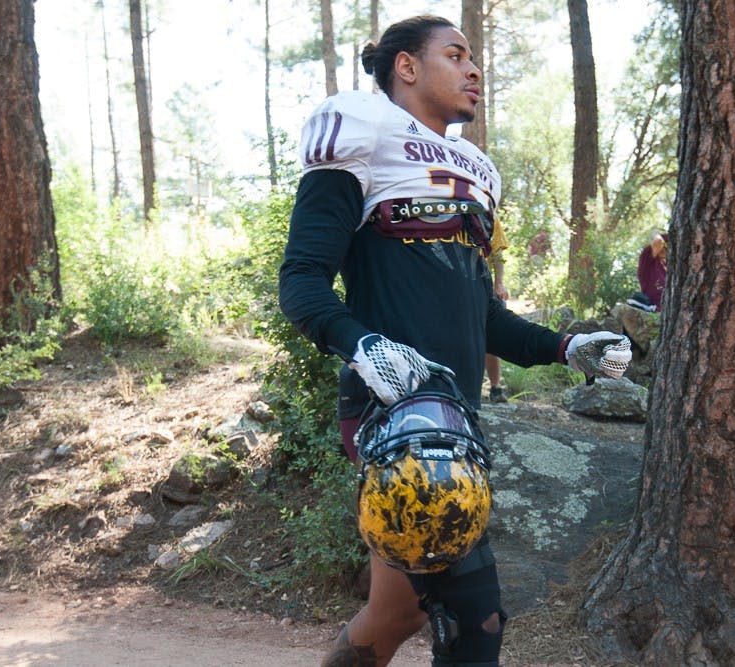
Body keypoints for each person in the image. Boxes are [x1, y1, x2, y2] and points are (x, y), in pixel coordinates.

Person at [278, 16, 631, 666]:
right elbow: (301, 280)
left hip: (457, 410)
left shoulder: (478, 168)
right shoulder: (361, 126)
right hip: (394, 409)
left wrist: (565, 348)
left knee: (397, 613)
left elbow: (482, 314)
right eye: (456, 54)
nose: (474, 69)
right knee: (475, 615)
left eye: (474, 56)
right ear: (406, 66)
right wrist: (363, 346)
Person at [485, 219, 509, 403]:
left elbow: (497, 253)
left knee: (491, 338)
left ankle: (495, 387)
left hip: (484, 285)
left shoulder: (489, 218)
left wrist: (499, 283)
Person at [635, 230, 668, 311]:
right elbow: (658, 241)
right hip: (655, 311)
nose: (666, 249)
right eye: (666, 245)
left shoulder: (668, 268)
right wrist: (656, 233)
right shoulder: (646, 260)